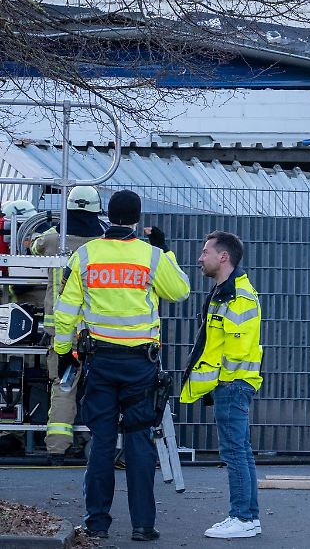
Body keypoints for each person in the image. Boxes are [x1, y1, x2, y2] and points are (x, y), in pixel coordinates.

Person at [53, 190, 191, 542]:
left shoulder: (85, 255)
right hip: (140, 366)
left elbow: (66, 308)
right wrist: (166, 249)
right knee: (139, 442)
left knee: (101, 442)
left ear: (108, 216)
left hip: (99, 361)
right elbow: (180, 291)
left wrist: (64, 350)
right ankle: (143, 526)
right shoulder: (151, 256)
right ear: (136, 219)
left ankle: (96, 523)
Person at [180, 231, 264, 540]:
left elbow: (237, 349)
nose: (200, 258)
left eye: (205, 252)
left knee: (234, 453)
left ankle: (242, 518)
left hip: (232, 384)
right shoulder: (226, 292)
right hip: (232, 384)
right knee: (240, 452)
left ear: (223, 257)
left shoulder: (237, 295)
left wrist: (221, 382)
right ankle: (249, 517)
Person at [30, 186, 107, 459]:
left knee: (63, 388)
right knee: (100, 389)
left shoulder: (53, 240)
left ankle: (56, 449)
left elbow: (32, 244)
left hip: (62, 331)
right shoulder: (103, 243)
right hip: (99, 331)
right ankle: (94, 445)